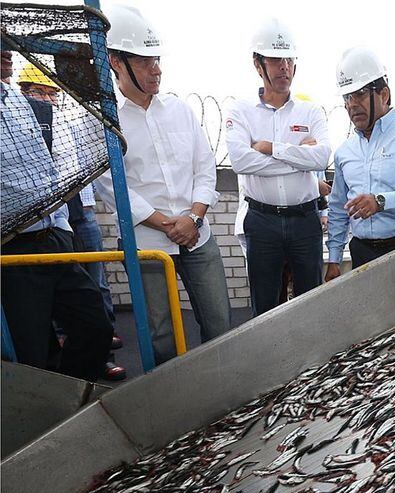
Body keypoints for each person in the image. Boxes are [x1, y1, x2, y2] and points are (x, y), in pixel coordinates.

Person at [95, 5, 230, 366]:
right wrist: (167, 224)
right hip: (147, 245)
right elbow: (111, 186)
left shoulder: (180, 111)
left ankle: (222, 386)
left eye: (156, 60)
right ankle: (173, 395)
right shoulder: (106, 122)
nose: (156, 69)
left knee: (220, 322)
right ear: (116, 62)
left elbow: (205, 167)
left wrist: (193, 218)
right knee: (161, 335)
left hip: (197, 235)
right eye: (144, 61)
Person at [1, 49, 112, 381]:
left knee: (95, 326)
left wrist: (61, 224)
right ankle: (44, 408)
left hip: (54, 238)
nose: (6, 51)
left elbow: (46, 168)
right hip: (12, 248)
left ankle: (71, 396)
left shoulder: (19, 102)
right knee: (30, 352)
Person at [226, 19, 331, 316]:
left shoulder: (311, 111)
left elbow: (321, 158)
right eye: (275, 60)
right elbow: (241, 161)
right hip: (262, 221)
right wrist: (300, 158)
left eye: (288, 60)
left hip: (305, 221)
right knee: (265, 308)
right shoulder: (241, 111)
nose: (284, 67)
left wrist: (273, 149)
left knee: (311, 304)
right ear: (258, 64)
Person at [325, 47, 395, 280]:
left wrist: (380, 202)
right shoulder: (344, 152)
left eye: (359, 94)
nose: (352, 104)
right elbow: (338, 209)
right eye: (347, 97)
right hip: (362, 254)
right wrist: (334, 260)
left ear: (384, 94)